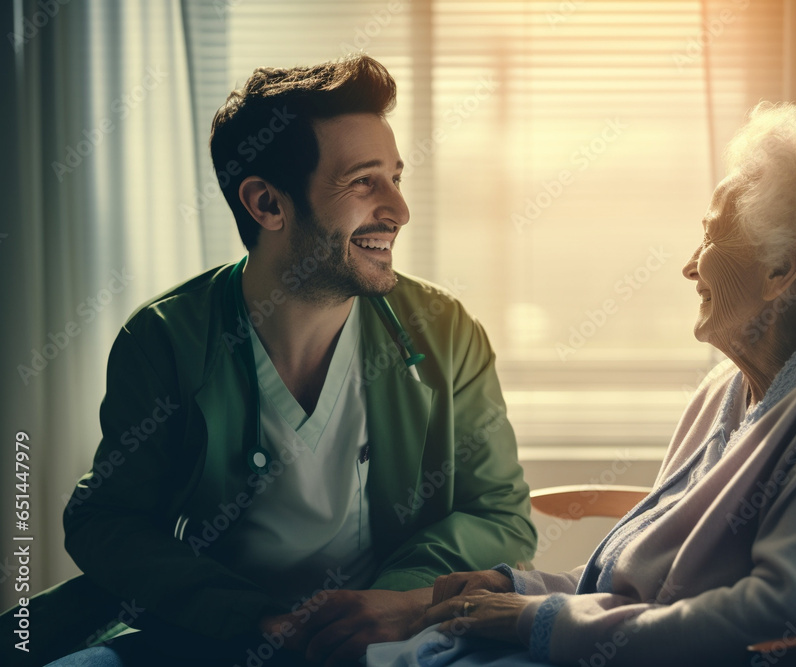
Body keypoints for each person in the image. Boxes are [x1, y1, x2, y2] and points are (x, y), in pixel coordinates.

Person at [365, 102, 796, 666]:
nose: (691, 264)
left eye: (713, 236)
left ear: (781, 270)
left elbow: (781, 617)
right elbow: (641, 584)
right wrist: (514, 588)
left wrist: (534, 619)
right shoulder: (728, 387)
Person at [16, 54, 536, 667]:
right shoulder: (165, 340)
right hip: (215, 635)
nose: (399, 209)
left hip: (399, 635)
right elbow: (106, 520)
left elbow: (501, 517)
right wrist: (253, 618)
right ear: (267, 204)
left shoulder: (446, 332)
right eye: (365, 181)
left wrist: (387, 602)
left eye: (397, 177)